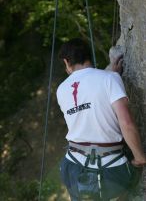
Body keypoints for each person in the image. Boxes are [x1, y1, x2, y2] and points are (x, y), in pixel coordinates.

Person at [56, 38, 146, 201]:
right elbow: (126, 123)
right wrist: (139, 157)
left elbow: (87, 107)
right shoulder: (109, 79)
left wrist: (111, 76)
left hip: (73, 170)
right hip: (111, 174)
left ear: (66, 62)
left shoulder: (61, 90)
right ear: (89, 56)